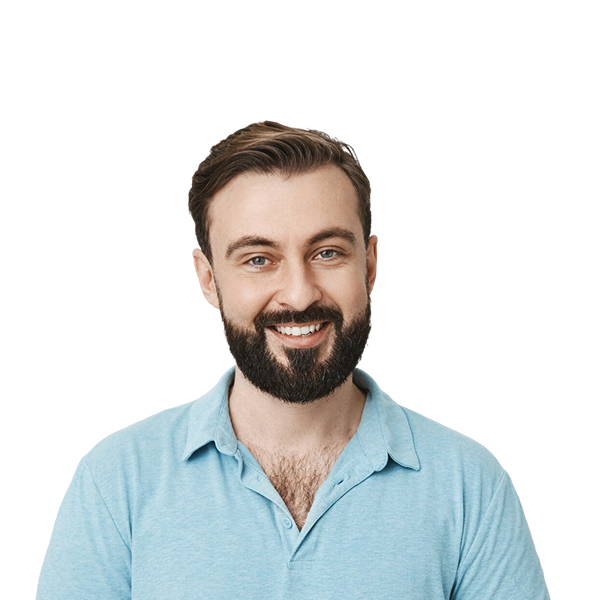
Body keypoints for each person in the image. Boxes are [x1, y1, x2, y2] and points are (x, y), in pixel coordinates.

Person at [37, 120, 550, 599]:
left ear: (370, 265)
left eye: (327, 252)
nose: (299, 294)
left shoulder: (470, 485)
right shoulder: (116, 479)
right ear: (208, 279)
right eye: (259, 259)